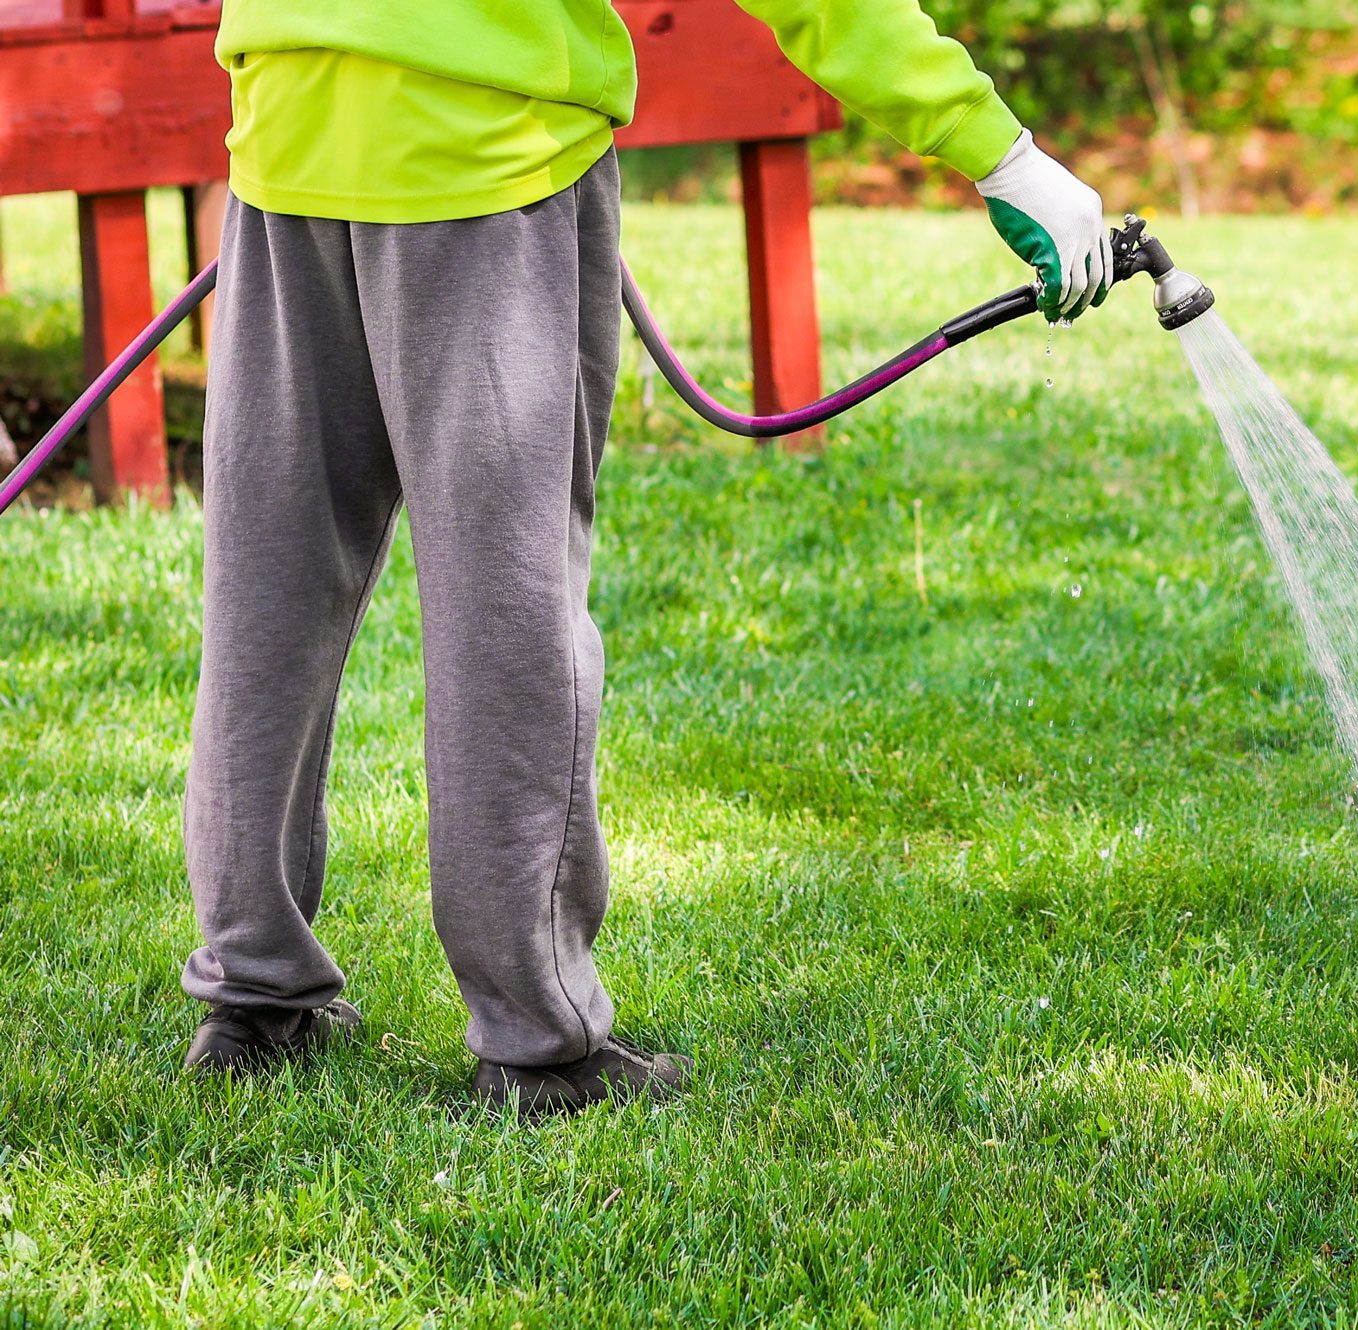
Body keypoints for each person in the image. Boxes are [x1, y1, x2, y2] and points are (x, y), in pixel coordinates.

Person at [179, 0, 1110, 1114]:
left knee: (268, 600)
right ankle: (540, 1045)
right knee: (504, 614)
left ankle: (254, 1001)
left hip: (286, 144)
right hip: (489, 153)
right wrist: (998, 152)